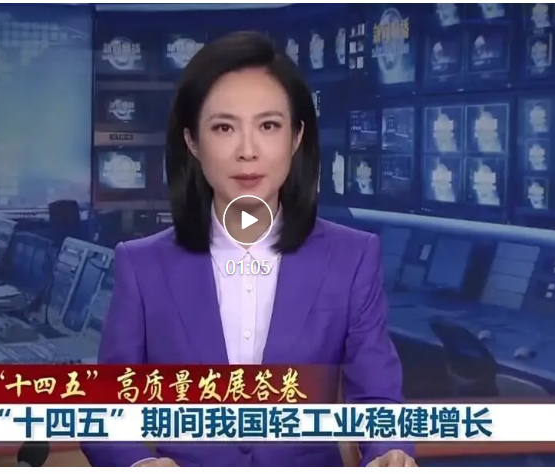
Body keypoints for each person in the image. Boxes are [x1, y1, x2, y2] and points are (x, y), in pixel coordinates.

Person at [82, 31, 415, 468]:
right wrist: (137, 465)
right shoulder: (142, 265)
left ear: (296, 138)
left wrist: (390, 454)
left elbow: (377, 397)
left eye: (268, 126)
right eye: (224, 128)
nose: (247, 151)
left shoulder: (351, 257)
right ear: (192, 141)